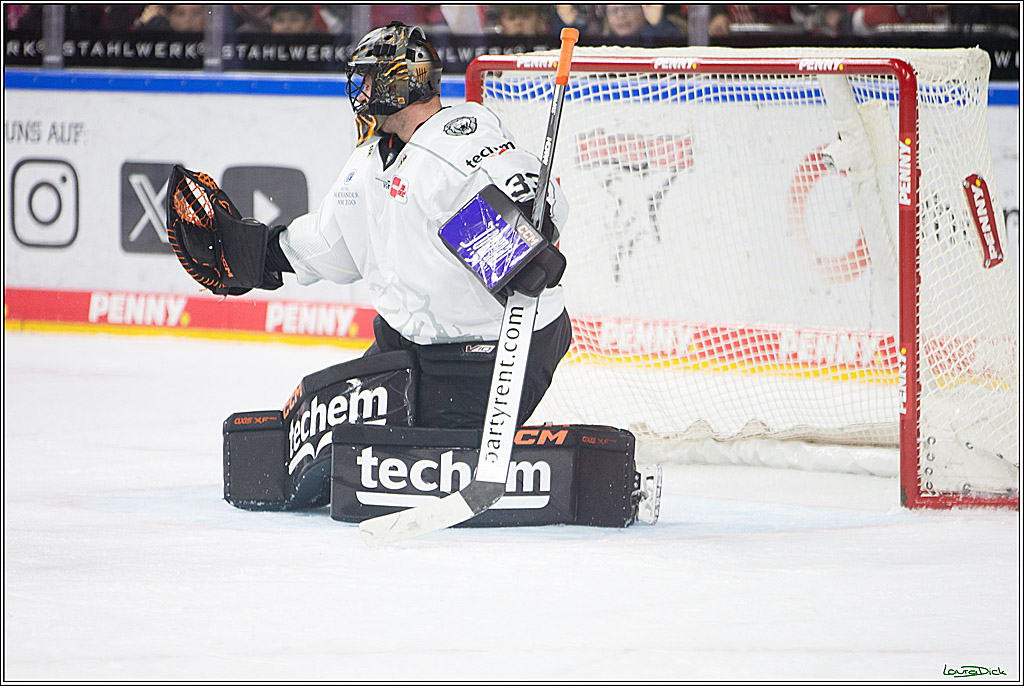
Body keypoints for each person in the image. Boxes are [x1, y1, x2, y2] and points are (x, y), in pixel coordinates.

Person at [214, 23, 572, 430]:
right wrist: (262, 253)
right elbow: (335, 243)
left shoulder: (460, 140)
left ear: (397, 83)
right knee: (330, 443)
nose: (361, 93)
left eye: (368, 80)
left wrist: (528, 220)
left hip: (486, 347)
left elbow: (524, 185)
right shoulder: (373, 157)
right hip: (408, 342)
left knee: (411, 467)